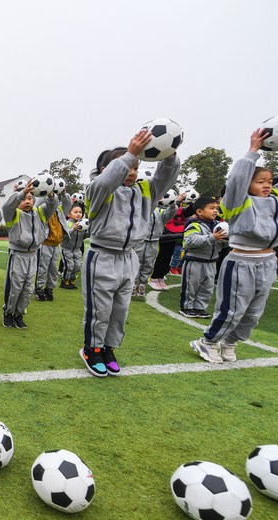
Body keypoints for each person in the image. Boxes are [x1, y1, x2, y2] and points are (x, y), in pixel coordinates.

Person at [191, 129, 278, 363]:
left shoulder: (277, 199)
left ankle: (229, 342)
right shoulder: (237, 202)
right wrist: (252, 151)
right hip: (242, 261)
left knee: (253, 312)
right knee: (232, 309)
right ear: (248, 183)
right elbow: (236, 181)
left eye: (270, 182)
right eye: (260, 181)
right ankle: (208, 341)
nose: (267, 185)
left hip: (268, 261)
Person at [81, 130, 180, 376]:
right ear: (106, 169)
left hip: (129, 258)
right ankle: (91, 349)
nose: (132, 171)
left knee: (120, 309)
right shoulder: (98, 191)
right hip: (101, 256)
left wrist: (169, 152)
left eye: (136, 167)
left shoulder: (145, 191)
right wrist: (130, 154)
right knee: (100, 309)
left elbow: (166, 178)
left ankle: (109, 348)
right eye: (126, 166)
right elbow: (104, 182)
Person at [1, 184, 61, 328]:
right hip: (18, 256)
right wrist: (22, 193)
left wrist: (51, 195)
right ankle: (8, 313)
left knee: (28, 289)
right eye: (23, 199)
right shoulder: (13, 214)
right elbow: (7, 206)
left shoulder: (39, 213)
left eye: (30, 198)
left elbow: (53, 205)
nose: (27, 201)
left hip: (34, 255)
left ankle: (18, 314)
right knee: (15, 287)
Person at [179, 197, 226, 318]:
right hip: (194, 261)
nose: (215, 211)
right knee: (191, 286)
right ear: (199, 211)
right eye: (211, 208)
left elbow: (221, 243)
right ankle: (187, 307)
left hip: (211, 262)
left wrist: (226, 240)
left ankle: (200, 308)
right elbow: (190, 241)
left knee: (207, 287)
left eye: (217, 208)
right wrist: (212, 237)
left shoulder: (218, 225)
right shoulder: (194, 225)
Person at [137, 194, 181, 296]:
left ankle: (141, 285)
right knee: (137, 263)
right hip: (140, 240)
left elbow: (170, 214)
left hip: (154, 241)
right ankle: (133, 285)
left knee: (148, 264)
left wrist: (173, 204)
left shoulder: (159, 212)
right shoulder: (142, 209)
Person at [60, 203, 88, 289]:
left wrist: (88, 230)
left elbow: (86, 236)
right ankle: (65, 281)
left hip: (77, 249)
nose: (78, 214)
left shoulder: (83, 224)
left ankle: (72, 280)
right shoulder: (67, 223)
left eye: (80, 212)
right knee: (69, 266)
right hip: (66, 249)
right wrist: (73, 229)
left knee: (77, 266)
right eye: (75, 212)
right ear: (69, 214)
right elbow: (63, 235)